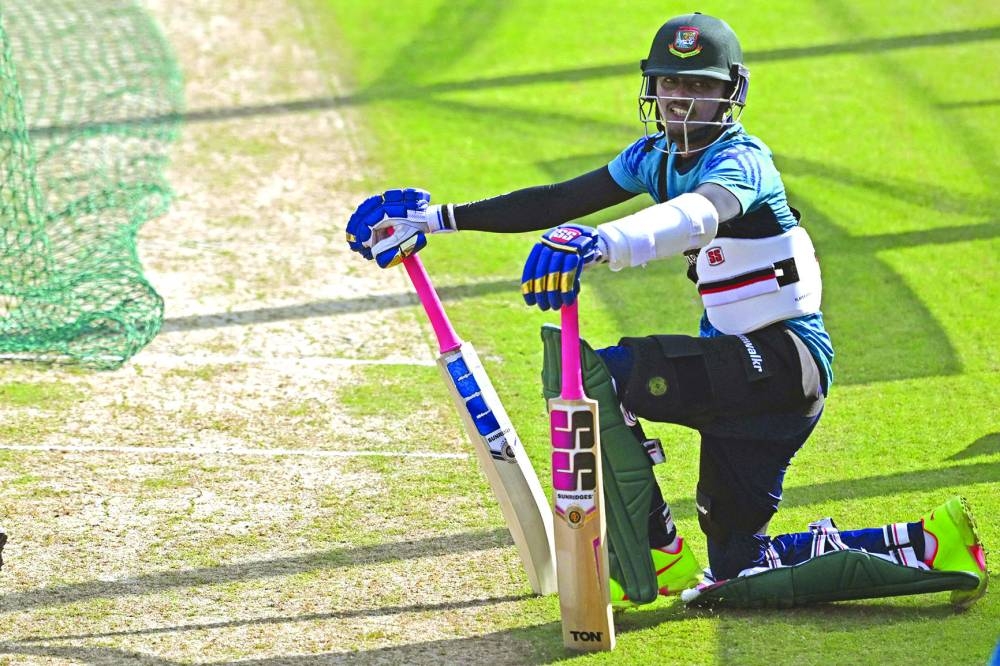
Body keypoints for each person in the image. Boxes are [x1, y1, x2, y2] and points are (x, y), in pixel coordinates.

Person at [346, 13, 988, 608]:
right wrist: (434, 218)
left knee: (610, 374)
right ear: (652, 88)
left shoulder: (743, 161)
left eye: (699, 87)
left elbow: (697, 216)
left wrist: (605, 244)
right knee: (736, 574)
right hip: (748, 383)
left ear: (730, 92)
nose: (682, 100)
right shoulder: (652, 158)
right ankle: (931, 544)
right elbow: (554, 202)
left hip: (784, 364)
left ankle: (657, 549)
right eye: (670, 84)